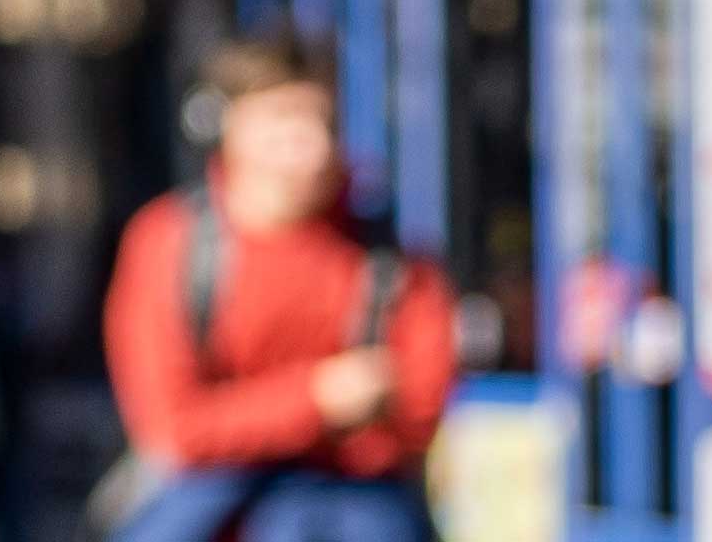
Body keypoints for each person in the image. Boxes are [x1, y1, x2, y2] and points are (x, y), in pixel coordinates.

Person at [101, 34, 457, 542]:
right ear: (224, 126)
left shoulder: (385, 254)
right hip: (205, 502)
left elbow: (421, 405)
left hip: (354, 504)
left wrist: (242, 414)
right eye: (284, 119)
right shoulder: (169, 241)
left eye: (324, 121)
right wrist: (319, 399)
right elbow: (172, 426)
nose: (310, 145)